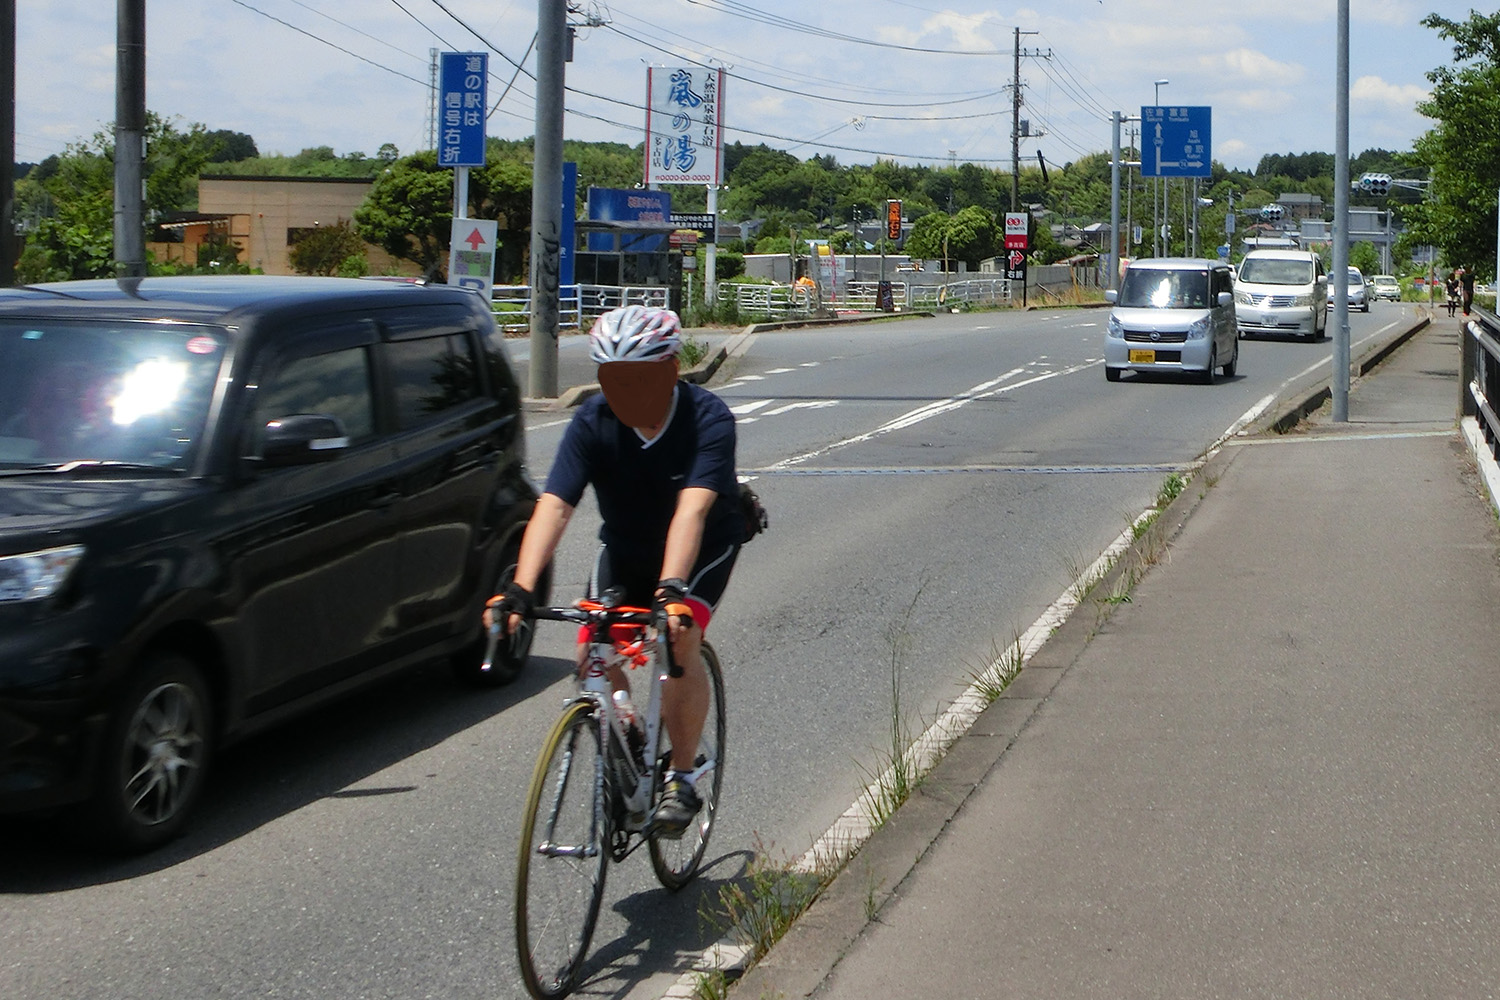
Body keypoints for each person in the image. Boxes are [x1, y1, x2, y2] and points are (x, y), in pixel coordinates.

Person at [486, 304, 744, 836]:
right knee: (592, 652)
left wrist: (672, 590)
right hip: (627, 546)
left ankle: (681, 775)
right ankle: (628, 737)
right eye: (615, 381)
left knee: (678, 639)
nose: (628, 394)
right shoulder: (593, 422)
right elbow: (555, 505)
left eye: (642, 379)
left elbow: (691, 510)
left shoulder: (708, 419)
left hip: (700, 547)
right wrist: (517, 589)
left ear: (672, 371)